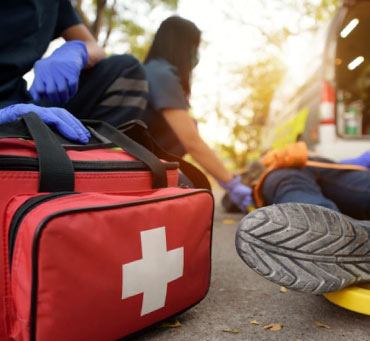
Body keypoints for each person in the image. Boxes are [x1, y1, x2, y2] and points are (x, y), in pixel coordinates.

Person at [142, 16, 252, 210]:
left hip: (147, 161)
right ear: (180, 45)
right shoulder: (161, 74)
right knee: (197, 194)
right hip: (144, 166)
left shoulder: (152, 70)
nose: (195, 55)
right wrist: (230, 183)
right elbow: (191, 141)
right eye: (194, 47)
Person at [0, 0, 148, 143]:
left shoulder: (54, 3)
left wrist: (78, 51)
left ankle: (97, 158)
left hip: (24, 103)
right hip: (6, 115)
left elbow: (93, 46)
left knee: (124, 68)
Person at [235, 149, 370, 294]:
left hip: (325, 169)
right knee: (295, 190)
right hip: (290, 172)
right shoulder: (266, 169)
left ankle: (342, 239)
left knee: (292, 188)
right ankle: (339, 238)